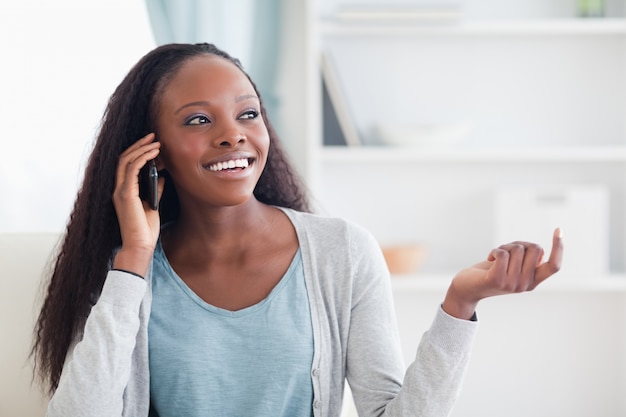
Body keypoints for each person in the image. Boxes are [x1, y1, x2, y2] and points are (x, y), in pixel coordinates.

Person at [31, 42, 563, 417]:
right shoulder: (129, 273)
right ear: (152, 152)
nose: (232, 136)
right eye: (198, 120)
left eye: (248, 114)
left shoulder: (342, 252)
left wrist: (458, 306)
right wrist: (133, 261)